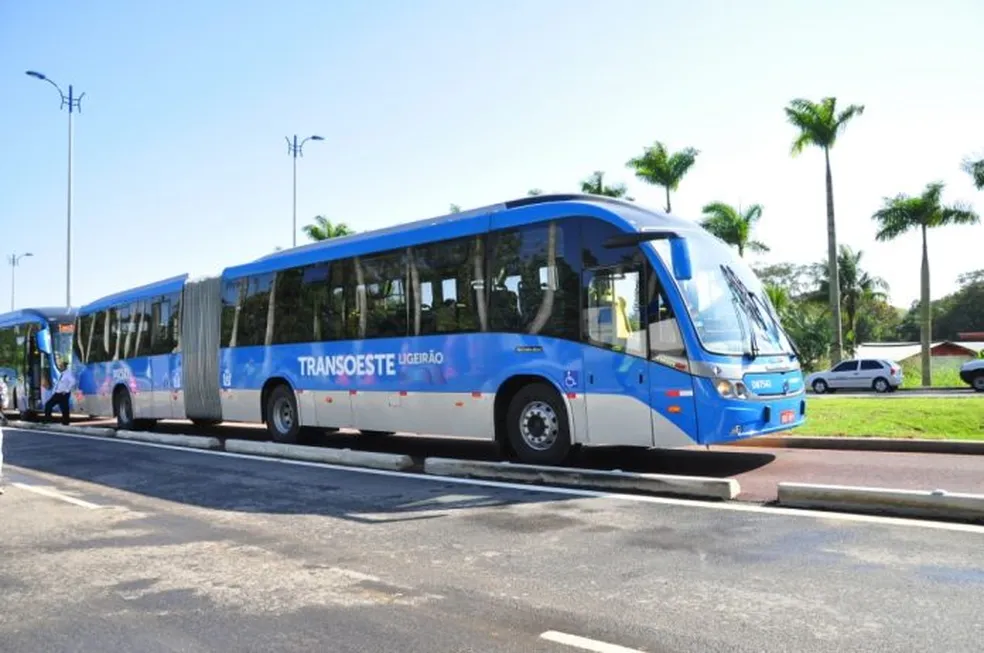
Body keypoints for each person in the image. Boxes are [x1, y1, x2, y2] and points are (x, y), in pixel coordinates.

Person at [44, 361, 76, 426]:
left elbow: (73, 382)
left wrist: (66, 390)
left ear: (64, 367)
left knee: (63, 408)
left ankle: (65, 422)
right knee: (50, 405)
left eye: (61, 366)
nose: (60, 367)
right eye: (60, 366)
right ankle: (49, 420)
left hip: (63, 394)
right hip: (58, 393)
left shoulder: (68, 374)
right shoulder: (62, 373)